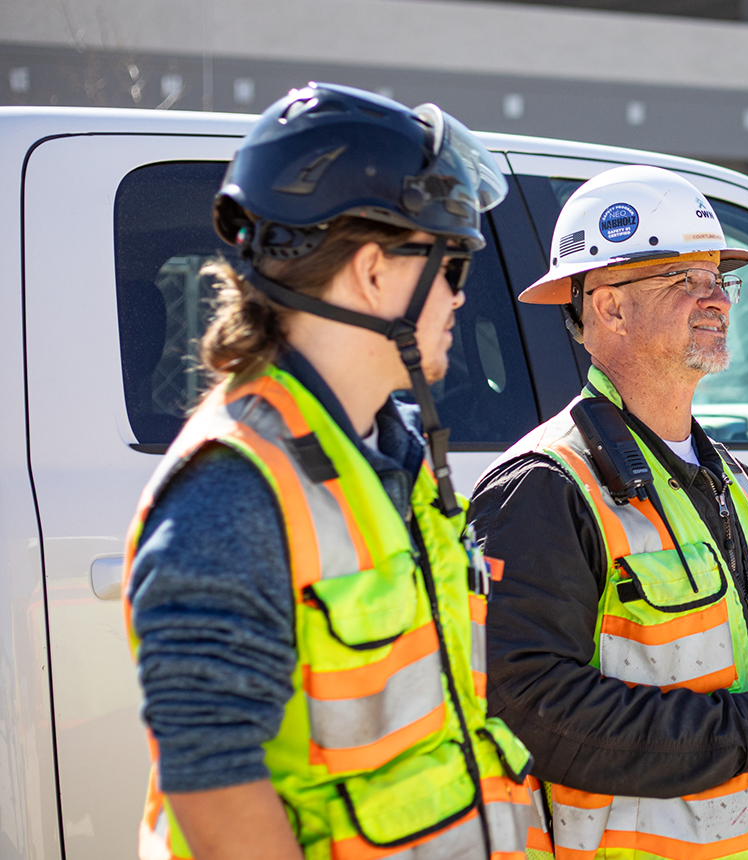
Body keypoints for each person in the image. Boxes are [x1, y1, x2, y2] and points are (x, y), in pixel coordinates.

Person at [124, 83, 539, 860]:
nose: (459, 295)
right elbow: (213, 791)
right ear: (375, 272)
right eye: (450, 266)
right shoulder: (232, 492)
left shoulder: (395, 452)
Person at [468, 164, 748, 860]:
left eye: (718, 279)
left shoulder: (729, 478)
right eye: (681, 280)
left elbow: (721, 655)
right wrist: (740, 731)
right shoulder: (545, 486)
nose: (714, 298)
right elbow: (527, 712)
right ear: (608, 308)